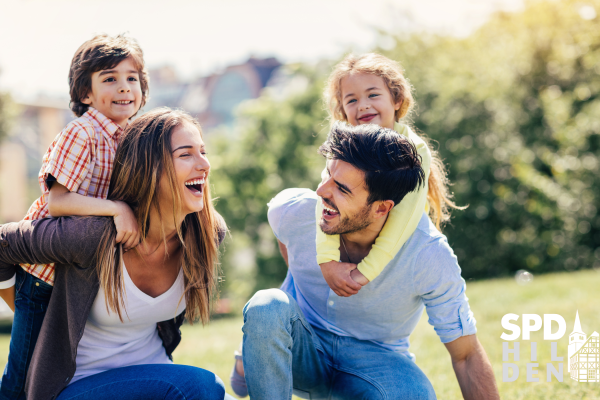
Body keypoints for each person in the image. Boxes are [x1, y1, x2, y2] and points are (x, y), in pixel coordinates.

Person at [236, 123, 499, 399]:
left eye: (342, 189)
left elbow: (466, 355)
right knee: (266, 307)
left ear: (381, 208)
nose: (322, 192)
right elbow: (284, 238)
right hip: (303, 347)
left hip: (377, 362)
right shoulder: (292, 210)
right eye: (328, 175)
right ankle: (248, 357)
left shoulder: (428, 254)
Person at [0, 108, 230, 400]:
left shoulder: (206, 234)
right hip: (79, 386)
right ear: (149, 168)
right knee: (202, 387)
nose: (204, 164)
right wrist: (19, 305)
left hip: (155, 378)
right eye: (186, 155)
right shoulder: (95, 237)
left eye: (203, 151)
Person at [0, 33, 147, 400]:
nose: (124, 87)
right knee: (23, 374)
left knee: (58, 370)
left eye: (132, 78)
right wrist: (117, 209)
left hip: (77, 273)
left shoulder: (126, 136)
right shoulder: (84, 132)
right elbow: (58, 201)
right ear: (85, 93)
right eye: (109, 78)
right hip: (44, 275)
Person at [317, 53, 462, 297]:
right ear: (342, 109)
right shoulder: (343, 145)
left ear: (396, 99)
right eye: (351, 100)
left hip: (397, 240)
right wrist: (328, 261)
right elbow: (325, 201)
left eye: (373, 95)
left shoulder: (415, 150)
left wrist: (365, 273)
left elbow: (403, 220)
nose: (363, 105)